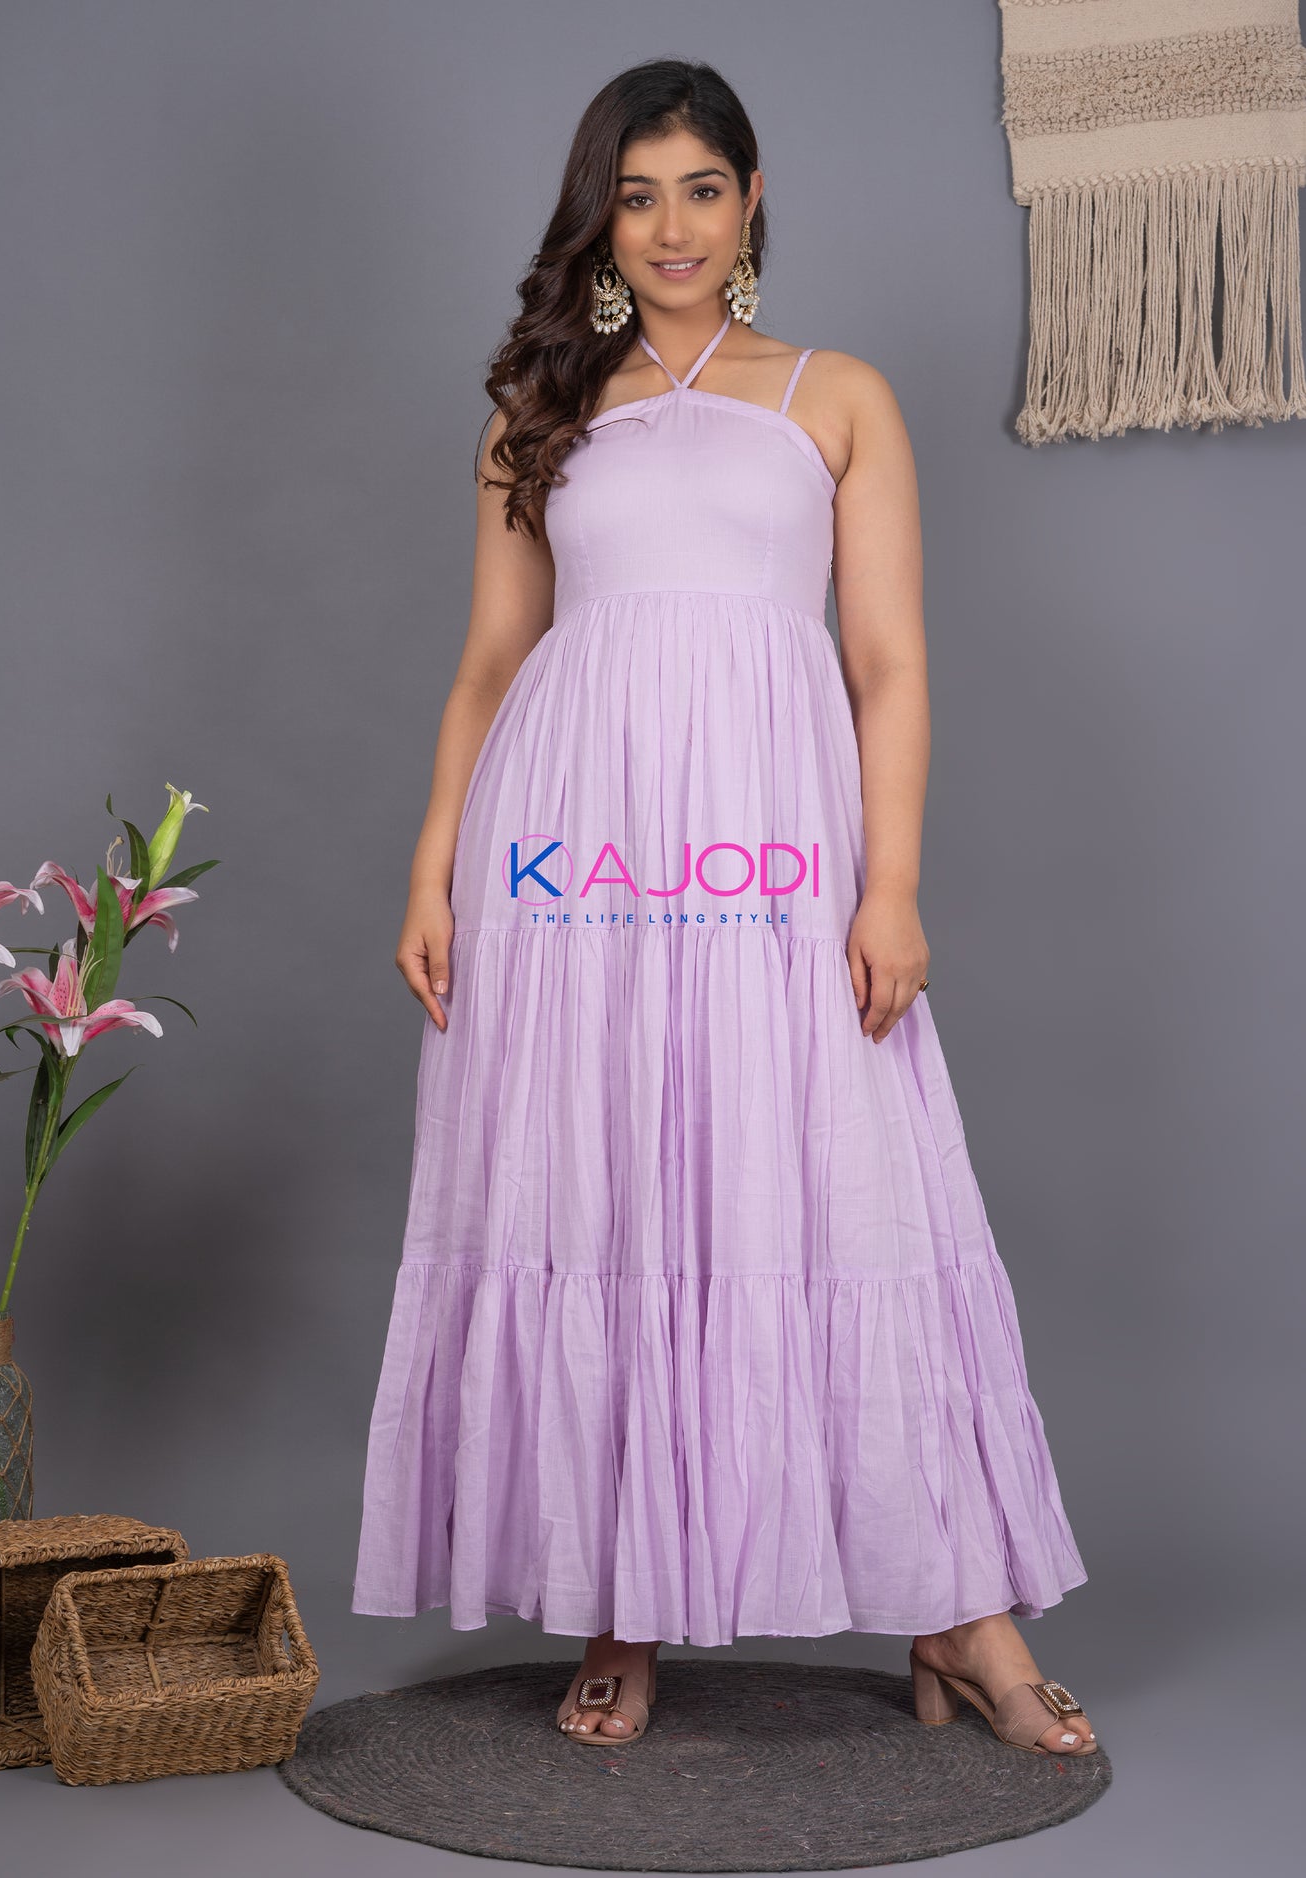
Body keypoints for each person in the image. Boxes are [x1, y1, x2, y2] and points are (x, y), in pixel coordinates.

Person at [352, 57, 1097, 1760]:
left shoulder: (837, 396)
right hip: (567, 854)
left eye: (701, 188)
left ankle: (958, 1611)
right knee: (605, 1182)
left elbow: (887, 661)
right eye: (637, 194)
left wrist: (888, 884)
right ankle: (620, 1601)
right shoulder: (542, 409)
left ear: (752, 200)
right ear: (599, 215)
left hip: (776, 855)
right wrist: (431, 863)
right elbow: (491, 659)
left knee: (832, 1188)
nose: (672, 225)